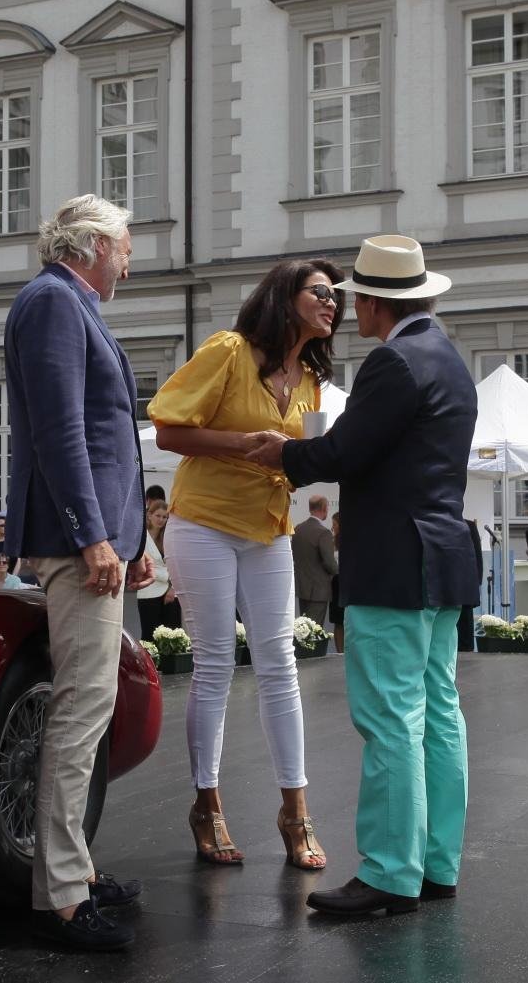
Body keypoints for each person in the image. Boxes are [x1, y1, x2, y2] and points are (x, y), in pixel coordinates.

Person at [247, 234, 474, 917]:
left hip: (394, 562)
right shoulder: (449, 359)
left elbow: (346, 451)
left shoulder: (393, 362)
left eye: (355, 301)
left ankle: (389, 871)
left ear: (374, 303)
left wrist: (283, 452)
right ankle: (436, 863)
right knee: (439, 714)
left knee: (391, 718)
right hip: (441, 557)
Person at [150, 256, 342, 876]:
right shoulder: (229, 351)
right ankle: (207, 804)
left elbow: (296, 457)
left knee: (280, 664)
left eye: (335, 295)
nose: (332, 302)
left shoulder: (310, 378)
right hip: (203, 521)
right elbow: (168, 429)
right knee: (213, 665)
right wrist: (247, 444)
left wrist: (299, 458)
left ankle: (295, 811)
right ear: (285, 296)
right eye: (320, 291)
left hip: (269, 526)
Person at [3, 194, 149, 948]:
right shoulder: (55, 303)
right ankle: (61, 891)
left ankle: (75, 870)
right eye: (124, 247)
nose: (129, 262)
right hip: (76, 544)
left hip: (92, 541)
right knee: (81, 710)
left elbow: (98, 435)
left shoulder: (67, 303)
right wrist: (94, 536)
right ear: (92, 245)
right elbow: (62, 432)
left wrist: (129, 535)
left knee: (89, 707)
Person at [136, 500, 180, 639]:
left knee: (174, 636)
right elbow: (140, 564)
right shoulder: (141, 536)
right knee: (150, 636)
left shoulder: (169, 537)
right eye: (158, 515)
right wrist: (166, 576)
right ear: (149, 515)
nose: (161, 520)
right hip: (148, 591)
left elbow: (177, 564)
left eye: (164, 517)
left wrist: (173, 588)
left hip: (171, 593)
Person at [293, 494, 338, 625]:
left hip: (302, 588)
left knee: (304, 630)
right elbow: (330, 564)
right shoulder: (324, 533)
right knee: (314, 631)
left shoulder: (297, 529)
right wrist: (339, 572)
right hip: (319, 590)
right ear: (324, 508)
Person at [329, 512, 345, 653]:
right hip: (336, 583)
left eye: (334, 524)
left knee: (348, 619)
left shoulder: (351, 540)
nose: (332, 527)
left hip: (348, 583)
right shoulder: (331, 541)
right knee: (338, 621)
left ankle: (349, 650)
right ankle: (340, 652)